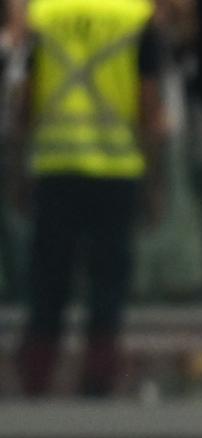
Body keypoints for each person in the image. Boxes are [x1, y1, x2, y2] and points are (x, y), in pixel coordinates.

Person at [13, 0, 164, 396]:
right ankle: (97, 388)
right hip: (116, 169)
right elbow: (147, 99)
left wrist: (17, 169)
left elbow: (25, 97)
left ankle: (35, 384)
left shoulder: (44, 14)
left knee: (47, 283)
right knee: (108, 285)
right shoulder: (134, 15)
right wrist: (155, 179)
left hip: (55, 163)